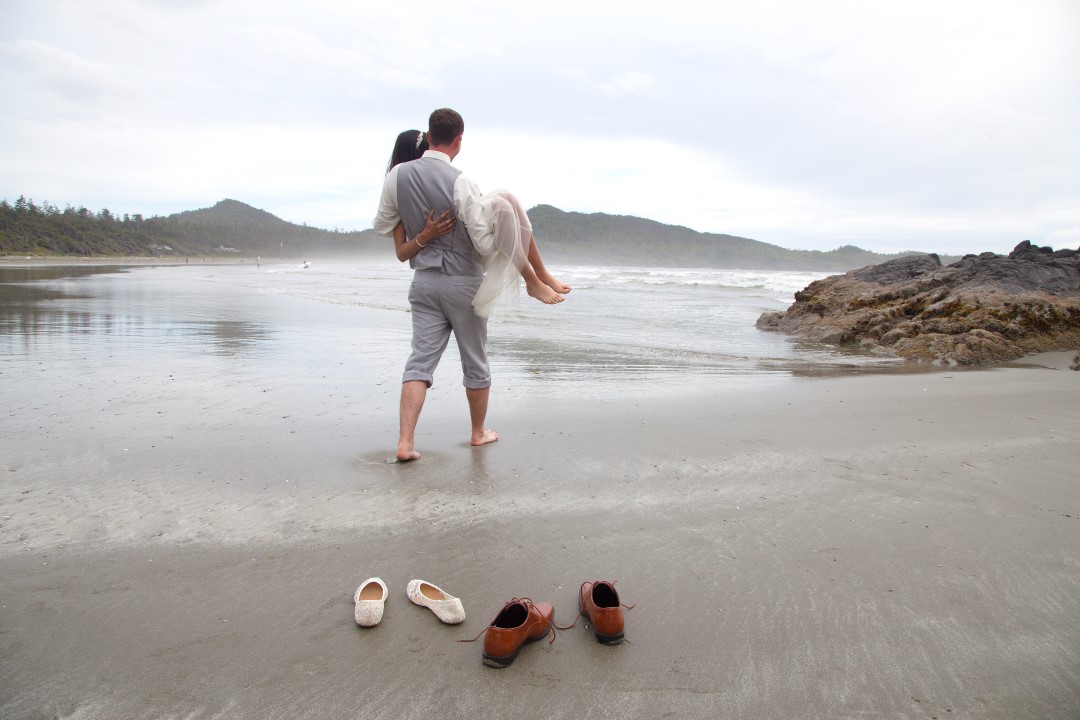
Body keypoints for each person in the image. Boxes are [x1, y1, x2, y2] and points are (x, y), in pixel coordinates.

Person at [371, 109, 497, 461]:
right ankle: (478, 433)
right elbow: (483, 243)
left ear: (428, 136)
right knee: (475, 360)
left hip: (424, 282)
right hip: (463, 284)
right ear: (459, 140)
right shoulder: (462, 182)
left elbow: (383, 224)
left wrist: (418, 229)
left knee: (419, 363)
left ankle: (406, 442)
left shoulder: (397, 175)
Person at [384, 130, 571, 318]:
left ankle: (540, 273)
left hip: (470, 248)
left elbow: (476, 206)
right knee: (502, 204)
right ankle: (532, 280)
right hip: (463, 259)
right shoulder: (404, 201)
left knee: (507, 198)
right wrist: (425, 235)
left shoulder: (452, 182)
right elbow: (401, 253)